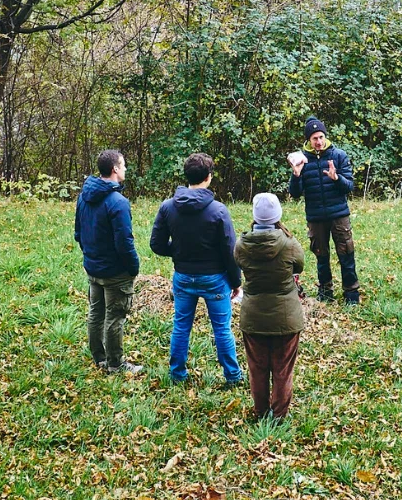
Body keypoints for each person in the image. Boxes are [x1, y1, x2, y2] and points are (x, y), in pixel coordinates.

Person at [150, 153, 243, 387]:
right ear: (209, 177)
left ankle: (177, 374)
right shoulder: (219, 210)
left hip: (183, 277)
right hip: (215, 278)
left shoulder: (168, 207)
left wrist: (179, 251)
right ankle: (232, 376)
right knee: (222, 329)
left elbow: (157, 244)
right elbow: (230, 251)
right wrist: (236, 282)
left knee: (181, 326)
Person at [233, 193, 305, 421]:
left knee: (257, 369)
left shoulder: (241, 245)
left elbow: (238, 263)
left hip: (253, 316)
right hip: (286, 317)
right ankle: (279, 416)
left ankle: (261, 412)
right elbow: (299, 266)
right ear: (278, 215)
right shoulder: (289, 244)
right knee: (283, 370)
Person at [74, 149, 142, 374]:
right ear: (114, 169)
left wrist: (90, 256)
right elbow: (125, 242)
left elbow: (78, 233)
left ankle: (99, 357)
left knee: (96, 312)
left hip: (93, 268)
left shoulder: (84, 196)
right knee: (115, 316)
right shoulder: (118, 203)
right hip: (114, 272)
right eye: (123, 165)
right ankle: (115, 364)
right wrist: (133, 267)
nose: (125, 169)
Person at [288, 117, 360, 304]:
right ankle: (325, 293)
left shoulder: (339, 156)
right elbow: (295, 193)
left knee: (346, 254)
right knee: (321, 255)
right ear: (308, 141)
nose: (318, 142)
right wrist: (296, 175)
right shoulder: (301, 160)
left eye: (321, 137)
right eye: (314, 138)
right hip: (316, 216)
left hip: (339, 215)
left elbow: (349, 187)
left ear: (325, 136)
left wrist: (337, 178)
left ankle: (351, 294)